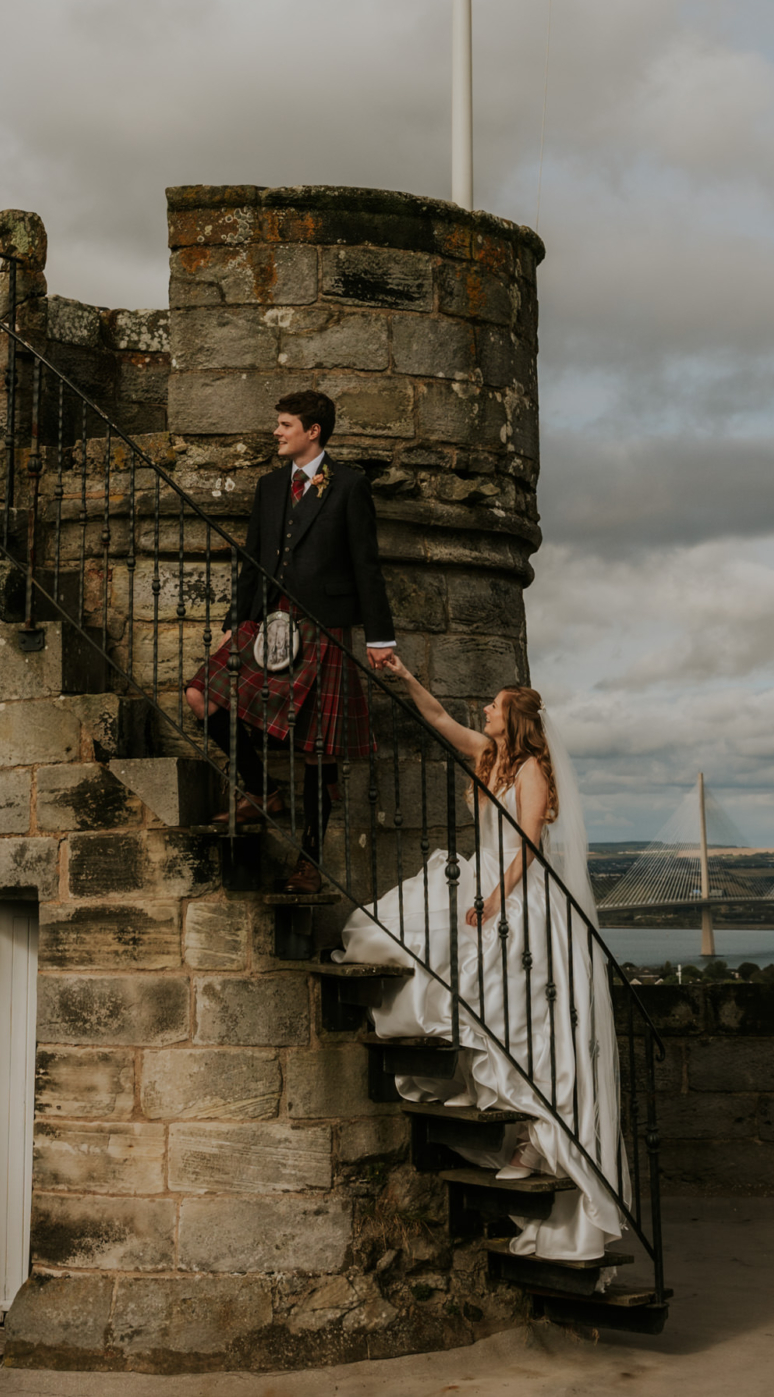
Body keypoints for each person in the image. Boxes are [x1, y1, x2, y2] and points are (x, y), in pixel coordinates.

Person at [337, 655, 627, 1264]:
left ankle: (535, 1138)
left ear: (513, 720)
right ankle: (496, 1099)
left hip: (515, 889)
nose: (485, 710)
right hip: (481, 882)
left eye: (494, 706)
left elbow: (525, 847)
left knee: (518, 1013)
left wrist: (495, 899)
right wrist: (406, 674)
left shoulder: (531, 773)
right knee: (387, 931)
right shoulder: (488, 757)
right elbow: (439, 717)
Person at [185, 389, 396, 892]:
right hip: (269, 621)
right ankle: (262, 792)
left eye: (285, 424)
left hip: (323, 624)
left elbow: (367, 563)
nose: (277, 432)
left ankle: (309, 863)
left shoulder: (348, 485)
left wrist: (380, 636)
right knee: (201, 695)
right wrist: (239, 619)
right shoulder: (271, 485)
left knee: (317, 749)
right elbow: (254, 555)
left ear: (312, 431)